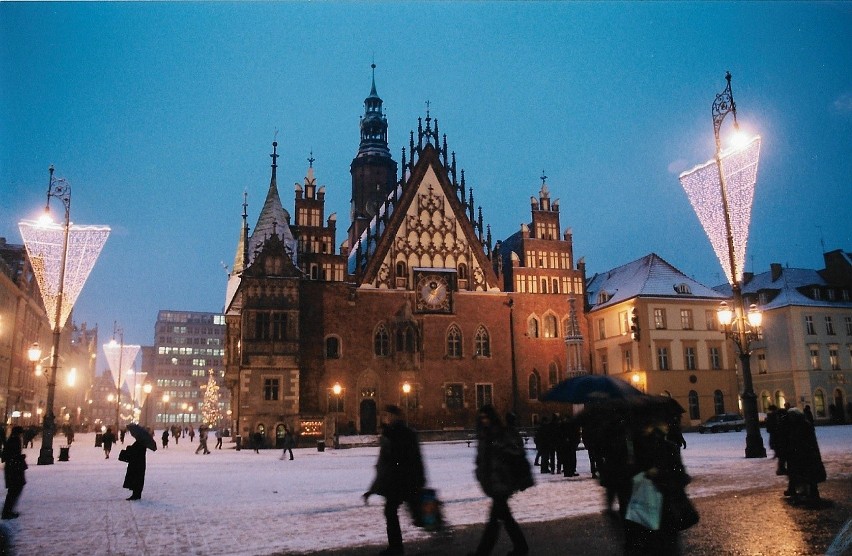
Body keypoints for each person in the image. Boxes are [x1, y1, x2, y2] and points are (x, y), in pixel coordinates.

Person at [624, 417, 692, 556]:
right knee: (668, 544)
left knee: (651, 543)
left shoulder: (639, 450)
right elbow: (681, 476)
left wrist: (650, 475)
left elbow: (631, 476)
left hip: (647, 506)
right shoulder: (669, 448)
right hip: (667, 506)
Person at [469, 404, 530, 556]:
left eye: (486, 417)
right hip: (493, 482)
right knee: (504, 518)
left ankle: (483, 552)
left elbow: (512, 452)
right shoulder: (485, 435)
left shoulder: (499, 434)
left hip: (502, 482)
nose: (484, 420)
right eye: (481, 418)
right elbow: (482, 459)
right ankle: (521, 548)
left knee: (494, 521)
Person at [363, 405, 425, 556]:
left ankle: (397, 548)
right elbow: (384, 463)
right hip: (399, 480)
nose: (385, 418)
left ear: (394, 416)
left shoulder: (396, 433)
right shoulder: (394, 433)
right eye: (383, 415)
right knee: (394, 512)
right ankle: (396, 547)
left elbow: (403, 460)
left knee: (397, 512)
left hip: (400, 480)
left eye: (387, 415)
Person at [783, 407, 826, 505]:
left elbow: (802, 440)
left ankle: (813, 492)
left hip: (805, 453)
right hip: (804, 453)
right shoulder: (802, 424)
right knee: (805, 473)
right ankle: (808, 491)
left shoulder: (801, 425)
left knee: (807, 473)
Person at [2, 426, 27, 519]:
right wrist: (20, 457)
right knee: (14, 490)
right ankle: (7, 512)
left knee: (14, 490)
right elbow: (11, 455)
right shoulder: (15, 440)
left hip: (13, 468)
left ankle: (8, 510)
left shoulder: (12, 439)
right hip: (14, 469)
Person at [122, 435, 153, 500]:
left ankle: (136, 494)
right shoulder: (143, 443)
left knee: (136, 479)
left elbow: (135, 451)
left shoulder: (139, 443)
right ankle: (137, 494)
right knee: (138, 479)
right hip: (139, 464)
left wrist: (129, 448)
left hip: (136, 464)